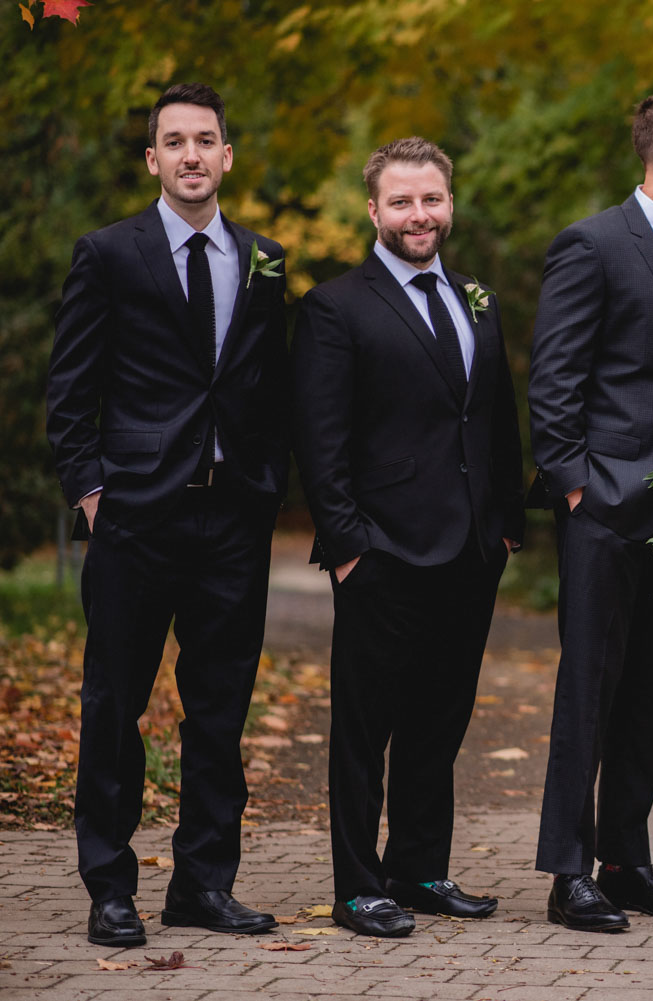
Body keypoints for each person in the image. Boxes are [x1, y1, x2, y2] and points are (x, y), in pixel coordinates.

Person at [46, 82, 287, 946]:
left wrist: (266, 486)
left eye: (205, 140)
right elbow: (71, 388)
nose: (192, 155)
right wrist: (92, 492)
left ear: (228, 155)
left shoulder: (264, 259)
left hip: (233, 519)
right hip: (135, 518)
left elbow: (269, 381)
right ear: (153, 159)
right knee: (115, 706)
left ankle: (203, 885)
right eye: (175, 141)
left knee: (220, 711)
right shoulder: (109, 254)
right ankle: (109, 886)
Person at [291, 137, 525, 937]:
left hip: (472, 548)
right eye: (401, 202)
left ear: (449, 204)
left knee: (441, 718)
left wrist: (507, 526)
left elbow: (495, 418)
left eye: (430, 199)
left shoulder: (477, 298)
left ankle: (420, 867)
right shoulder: (335, 306)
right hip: (381, 550)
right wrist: (349, 546)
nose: (418, 215)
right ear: (374, 210)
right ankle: (359, 886)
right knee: (365, 728)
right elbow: (319, 439)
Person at [528, 89, 653, 932]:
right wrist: (579, 486)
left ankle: (626, 859)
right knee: (588, 689)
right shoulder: (593, 243)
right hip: (605, 506)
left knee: (650, 689)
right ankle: (567, 872)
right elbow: (554, 378)